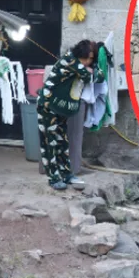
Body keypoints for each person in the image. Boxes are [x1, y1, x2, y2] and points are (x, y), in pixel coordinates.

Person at [37, 40, 95, 191]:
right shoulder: (70, 61)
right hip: (48, 106)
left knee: (62, 141)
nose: (88, 61)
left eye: (91, 59)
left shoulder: (78, 63)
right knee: (50, 142)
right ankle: (54, 177)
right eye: (87, 58)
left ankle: (66, 174)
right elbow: (91, 77)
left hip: (60, 109)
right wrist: (92, 69)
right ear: (79, 54)